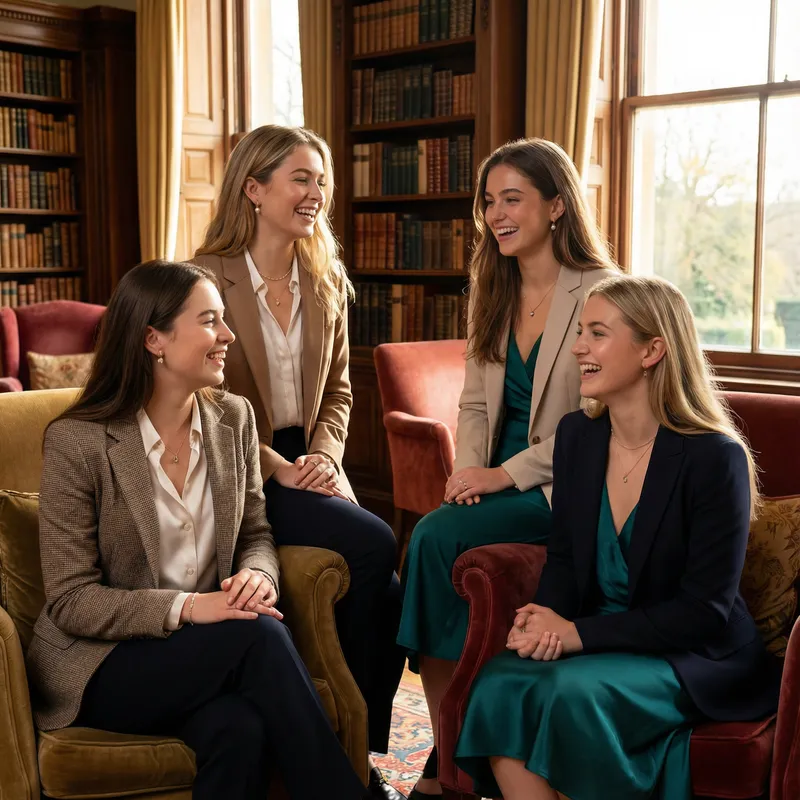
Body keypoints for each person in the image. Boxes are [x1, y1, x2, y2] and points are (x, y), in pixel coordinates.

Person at [25, 260, 368, 800]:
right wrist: (187, 607)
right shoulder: (79, 441)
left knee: (239, 729)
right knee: (258, 637)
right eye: (210, 321)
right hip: (103, 663)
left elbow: (256, 531)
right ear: (153, 339)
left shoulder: (234, 419)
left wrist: (258, 577)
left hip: (210, 648)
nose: (227, 335)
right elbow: (71, 601)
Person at [453, 275, 781, 800]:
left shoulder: (715, 458)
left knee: (565, 694)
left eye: (597, 333)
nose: (579, 346)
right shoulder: (578, 438)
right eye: (581, 331)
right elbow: (563, 561)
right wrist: (541, 622)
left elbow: (704, 611)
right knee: (499, 683)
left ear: (653, 350)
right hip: (600, 638)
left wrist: (575, 635)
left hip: (692, 656)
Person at [395, 137, 618, 798]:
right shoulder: (490, 284)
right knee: (439, 535)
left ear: (556, 205)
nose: (496, 213)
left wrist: (503, 475)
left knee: (430, 540)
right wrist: (468, 475)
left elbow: (595, 420)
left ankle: (449, 758)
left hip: (564, 487)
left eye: (512, 198)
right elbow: (471, 403)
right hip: (494, 482)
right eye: (489, 201)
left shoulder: (601, 290)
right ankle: (451, 743)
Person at [193, 125, 406, 800]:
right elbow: (203, 400)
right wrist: (279, 468)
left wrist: (323, 456)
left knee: (394, 595)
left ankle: (355, 743)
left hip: (306, 462)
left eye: (322, 181)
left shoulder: (327, 278)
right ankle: (349, 759)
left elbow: (340, 391)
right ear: (254, 189)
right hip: (234, 464)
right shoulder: (204, 279)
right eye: (301, 178)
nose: (316, 193)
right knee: (375, 544)